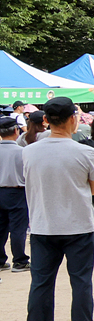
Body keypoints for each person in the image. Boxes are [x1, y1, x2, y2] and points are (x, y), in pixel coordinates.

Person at [24, 97, 94, 321]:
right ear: (74, 118)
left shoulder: (28, 150)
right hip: (78, 224)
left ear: (46, 121)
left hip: (42, 224)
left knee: (41, 282)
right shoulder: (85, 151)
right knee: (81, 280)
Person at [0, 115, 28, 271]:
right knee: (17, 228)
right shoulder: (22, 151)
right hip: (17, 191)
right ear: (16, 130)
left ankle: (0, 260)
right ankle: (20, 260)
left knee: (0, 227)